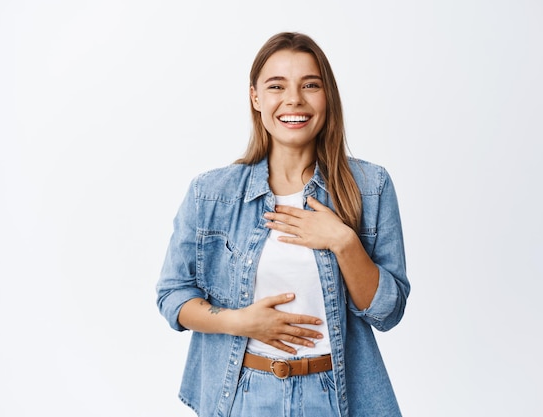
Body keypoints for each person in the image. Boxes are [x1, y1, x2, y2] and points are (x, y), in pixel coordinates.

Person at [156, 31, 410, 417]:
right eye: (277, 86)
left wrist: (343, 241)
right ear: (256, 97)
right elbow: (172, 295)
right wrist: (239, 322)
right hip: (243, 394)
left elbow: (387, 313)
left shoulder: (370, 187)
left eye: (310, 85)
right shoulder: (210, 193)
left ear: (328, 97)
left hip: (335, 396)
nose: (294, 99)